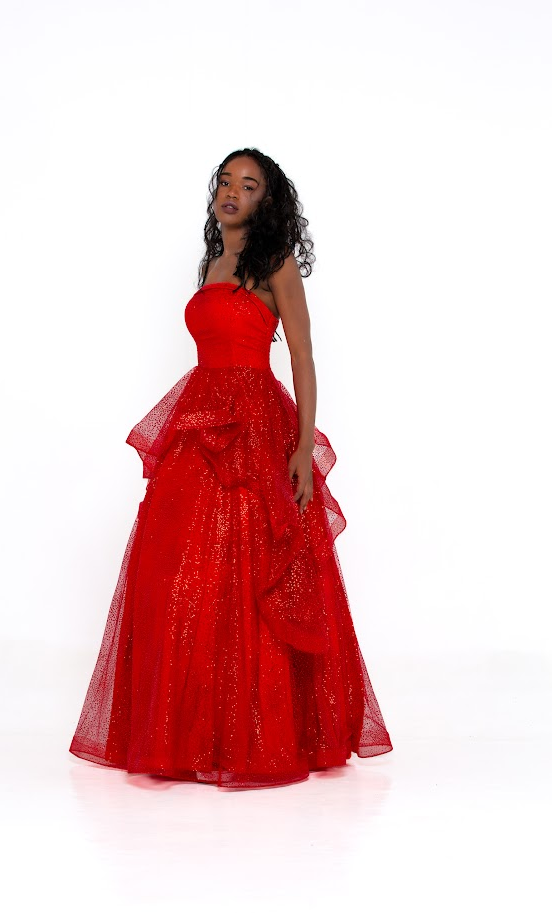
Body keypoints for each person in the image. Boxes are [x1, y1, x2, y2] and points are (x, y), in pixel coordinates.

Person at [69, 147, 393, 789]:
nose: (231, 192)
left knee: (255, 569)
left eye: (247, 185)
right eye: (224, 181)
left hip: (255, 422)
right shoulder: (213, 263)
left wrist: (302, 449)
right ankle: (190, 733)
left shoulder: (275, 264)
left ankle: (261, 735)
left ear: (266, 202)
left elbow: (302, 355)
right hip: (201, 416)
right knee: (181, 573)